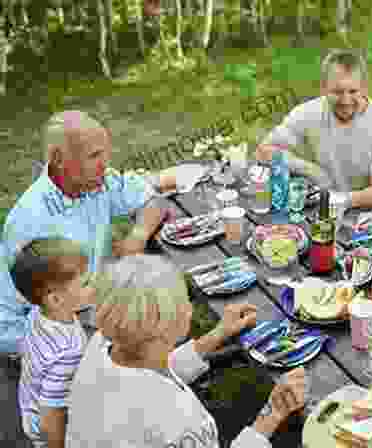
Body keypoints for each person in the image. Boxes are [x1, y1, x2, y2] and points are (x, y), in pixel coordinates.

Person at [65, 254, 307, 448]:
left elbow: (154, 367)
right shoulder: (180, 420)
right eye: (184, 300)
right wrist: (272, 414)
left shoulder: (105, 341)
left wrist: (218, 334)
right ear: (166, 326)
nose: (190, 307)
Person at [0, 110, 178, 355]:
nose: (104, 164)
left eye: (106, 153)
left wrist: (137, 236)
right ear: (58, 159)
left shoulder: (94, 182)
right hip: (42, 327)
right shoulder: (32, 221)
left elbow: (153, 200)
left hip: (82, 300)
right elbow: (48, 308)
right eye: (94, 155)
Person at [255, 49, 372, 211]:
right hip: (322, 208)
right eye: (337, 92)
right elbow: (263, 152)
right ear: (323, 88)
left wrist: (339, 200)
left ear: (364, 88)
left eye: (353, 91)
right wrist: (309, 169)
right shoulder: (308, 112)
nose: (346, 101)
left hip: (370, 217)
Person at [10, 237, 96, 448]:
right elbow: (52, 415)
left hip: (30, 402)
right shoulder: (68, 352)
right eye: (85, 284)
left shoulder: (37, 314)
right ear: (56, 300)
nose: (94, 286)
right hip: (49, 428)